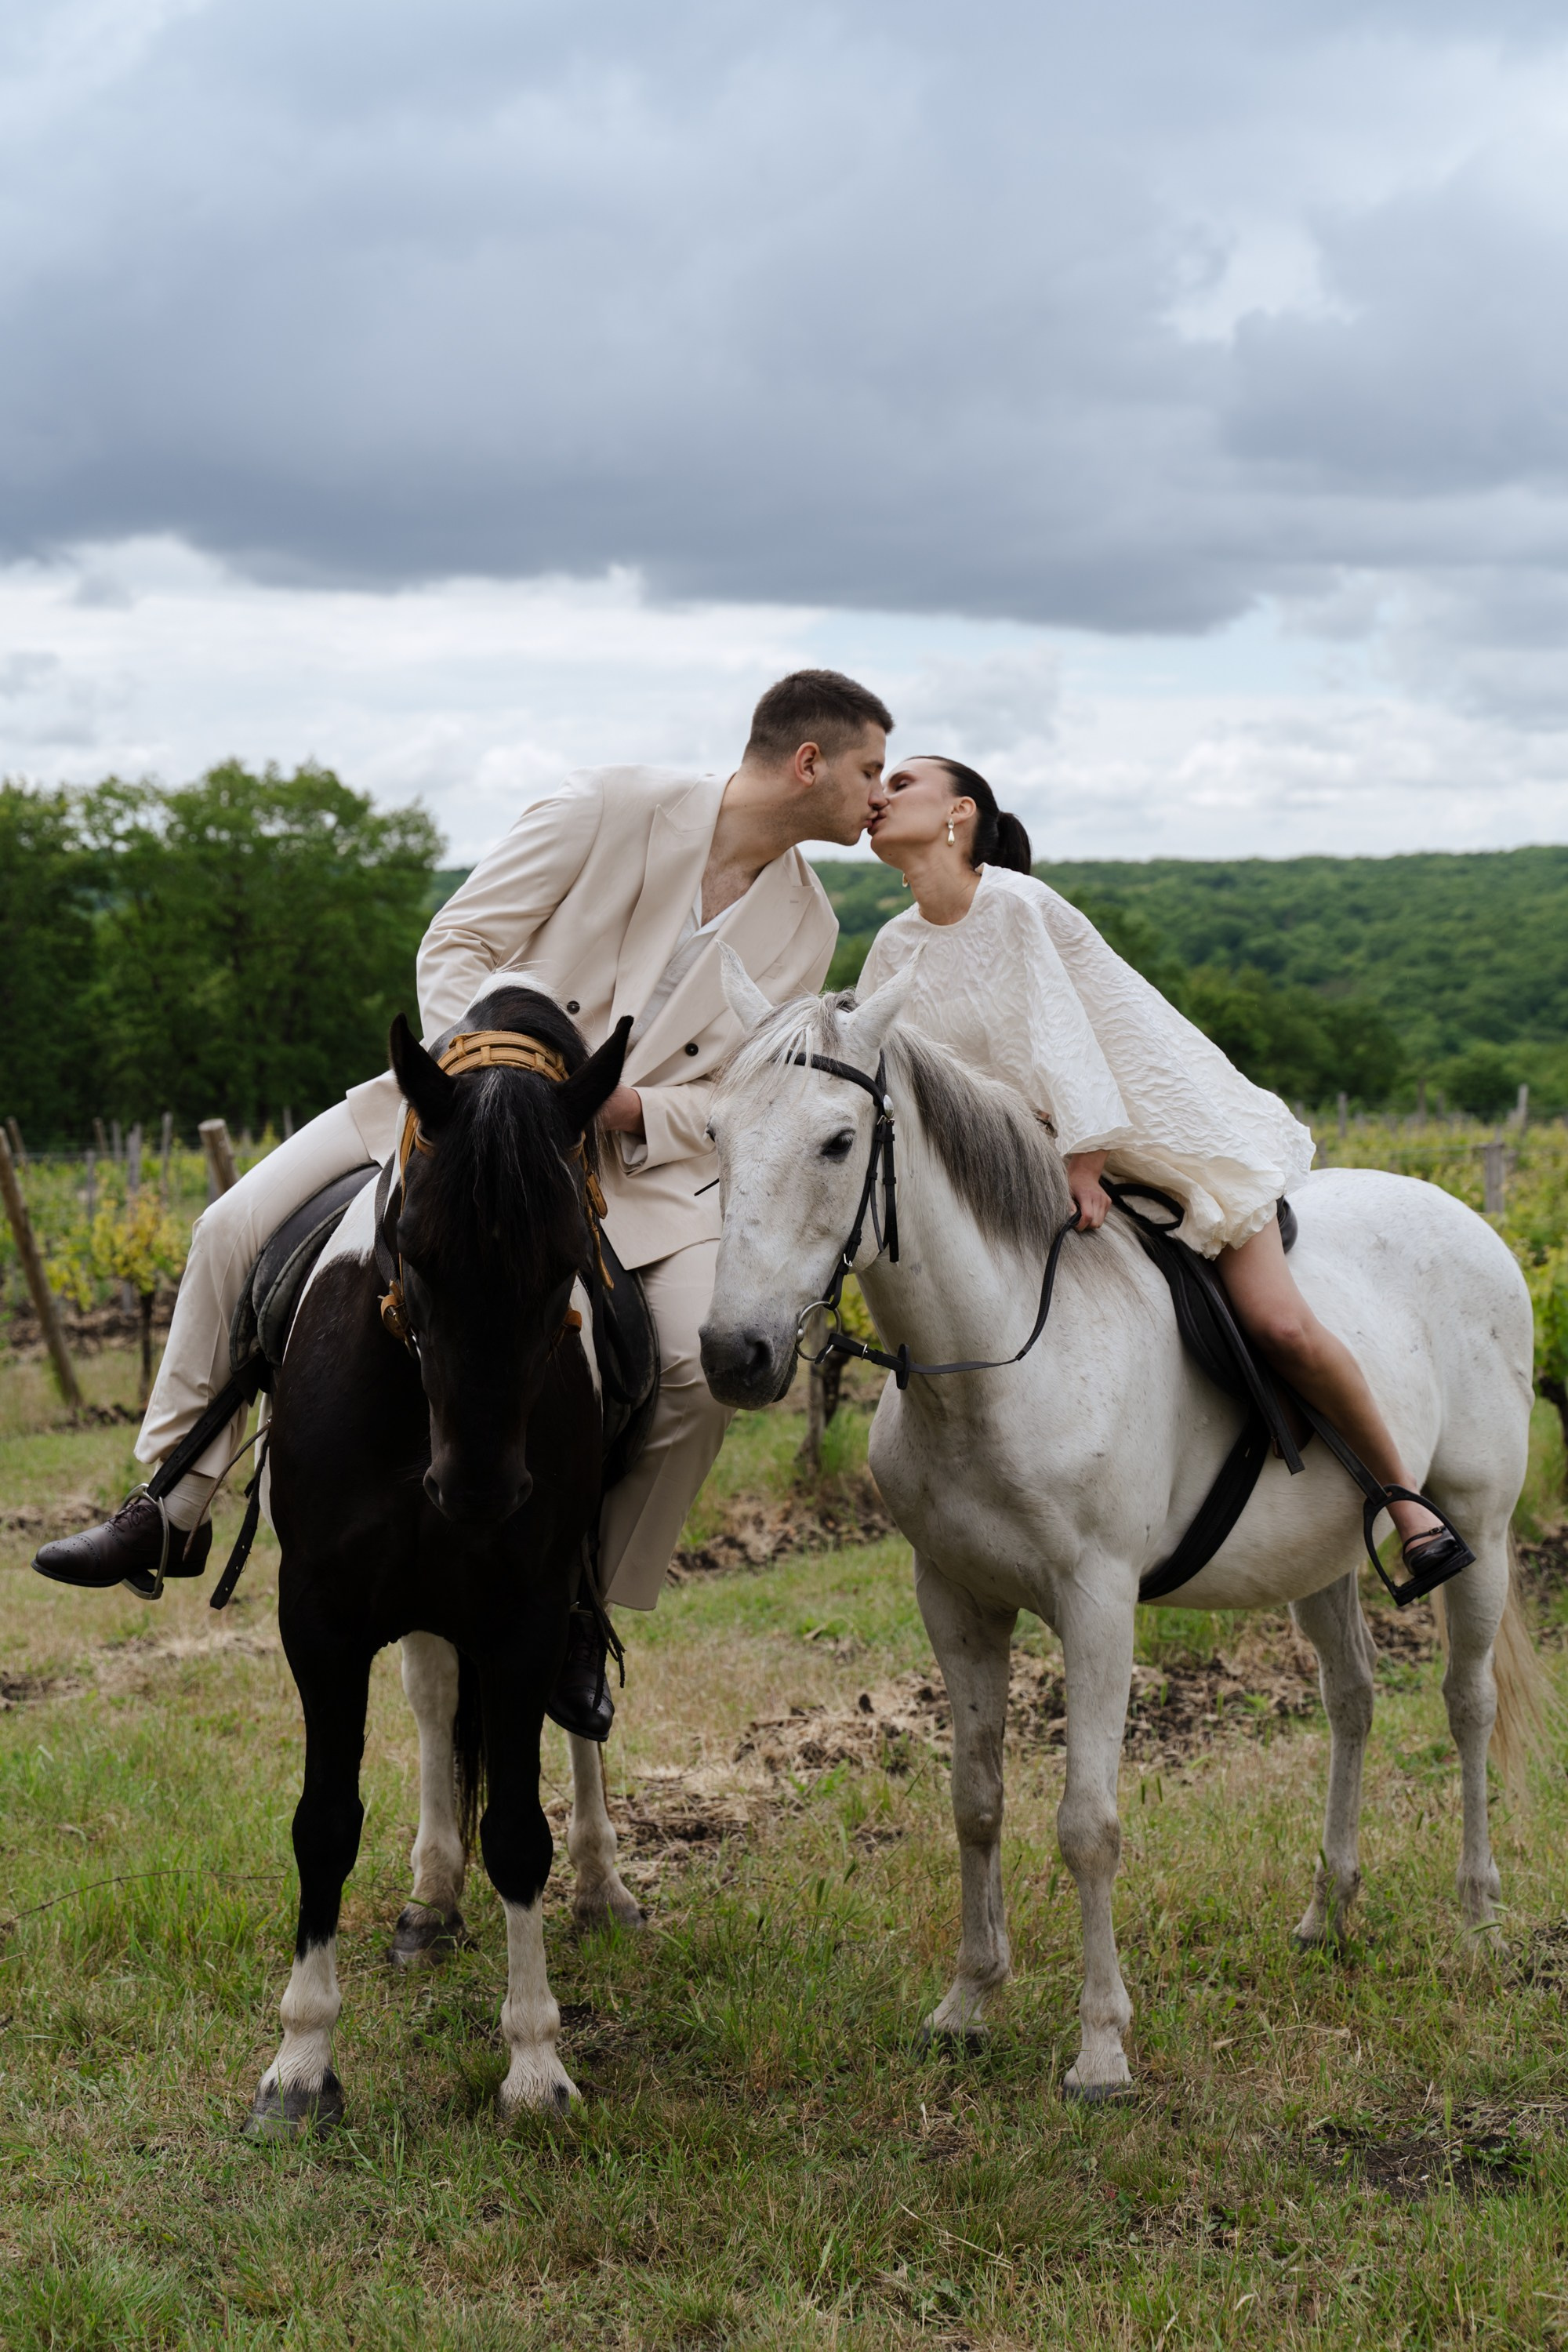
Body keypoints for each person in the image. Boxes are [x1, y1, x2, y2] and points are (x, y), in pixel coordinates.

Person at [34, 669, 895, 1731]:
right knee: (228, 1228)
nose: (879, 795)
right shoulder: (607, 807)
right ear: (807, 763)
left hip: (635, 1175)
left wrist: (636, 1114)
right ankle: (168, 1505)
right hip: (465, 1129)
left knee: (692, 1370)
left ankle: (585, 1607)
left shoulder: (808, 924)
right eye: (869, 770)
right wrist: (495, 1091)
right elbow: (457, 944)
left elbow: (736, 1091)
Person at [858, 753, 1466, 1582]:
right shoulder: (894, 945)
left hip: (1159, 1147)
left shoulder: (1014, 905)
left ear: (958, 813)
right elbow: (883, 1075)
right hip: (1016, 1177)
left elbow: (1077, 1045)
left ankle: (1404, 1500)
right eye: (877, 785)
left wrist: (1083, 1163)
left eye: (900, 785)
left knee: (1276, 1323)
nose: (876, 797)